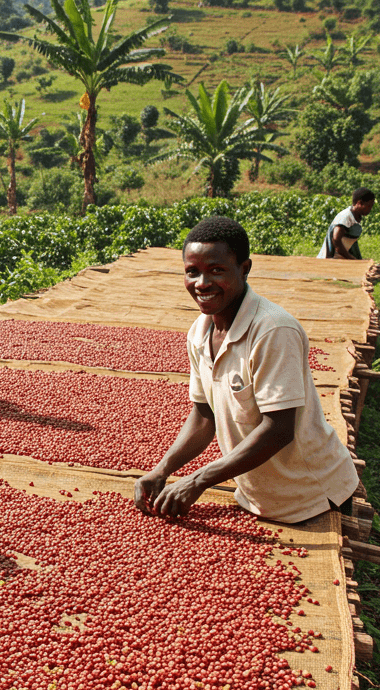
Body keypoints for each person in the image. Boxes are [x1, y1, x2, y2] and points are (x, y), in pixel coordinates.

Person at [135, 216, 357, 524]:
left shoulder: (273, 331)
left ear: (244, 268)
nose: (202, 283)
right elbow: (203, 416)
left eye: (216, 270)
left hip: (311, 495)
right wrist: (163, 470)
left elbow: (278, 429)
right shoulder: (199, 333)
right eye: (192, 271)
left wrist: (199, 479)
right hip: (256, 496)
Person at [318, 187, 374, 259]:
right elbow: (336, 240)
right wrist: (350, 258)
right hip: (328, 260)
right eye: (369, 206)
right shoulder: (345, 217)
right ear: (359, 203)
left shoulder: (356, 217)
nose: (370, 209)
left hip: (339, 260)